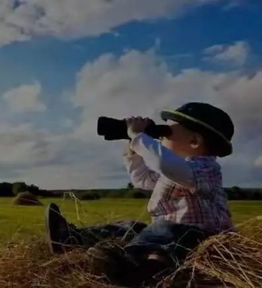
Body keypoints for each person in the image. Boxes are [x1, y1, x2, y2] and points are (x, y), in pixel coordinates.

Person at [44, 102, 235, 286]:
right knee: (131, 227)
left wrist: (139, 137)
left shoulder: (205, 168)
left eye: (166, 133)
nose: (161, 138)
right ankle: (71, 238)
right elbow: (143, 180)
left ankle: (135, 271)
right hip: (169, 232)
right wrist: (133, 148)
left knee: (167, 234)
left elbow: (162, 163)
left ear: (194, 141)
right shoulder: (178, 171)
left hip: (200, 237)